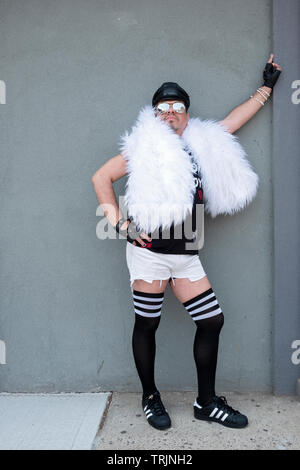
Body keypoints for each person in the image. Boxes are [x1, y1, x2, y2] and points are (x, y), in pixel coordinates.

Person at [92, 54, 281, 431]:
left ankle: (206, 402)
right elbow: (101, 178)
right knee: (147, 324)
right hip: (150, 254)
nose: (170, 113)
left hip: (186, 256)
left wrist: (266, 88)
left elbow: (231, 121)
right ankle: (150, 397)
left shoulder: (200, 144)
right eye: (163, 107)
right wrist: (121, 224)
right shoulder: (142, 150)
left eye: (177, 107)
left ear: (186, 115)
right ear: (154, 114)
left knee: (211, 321)